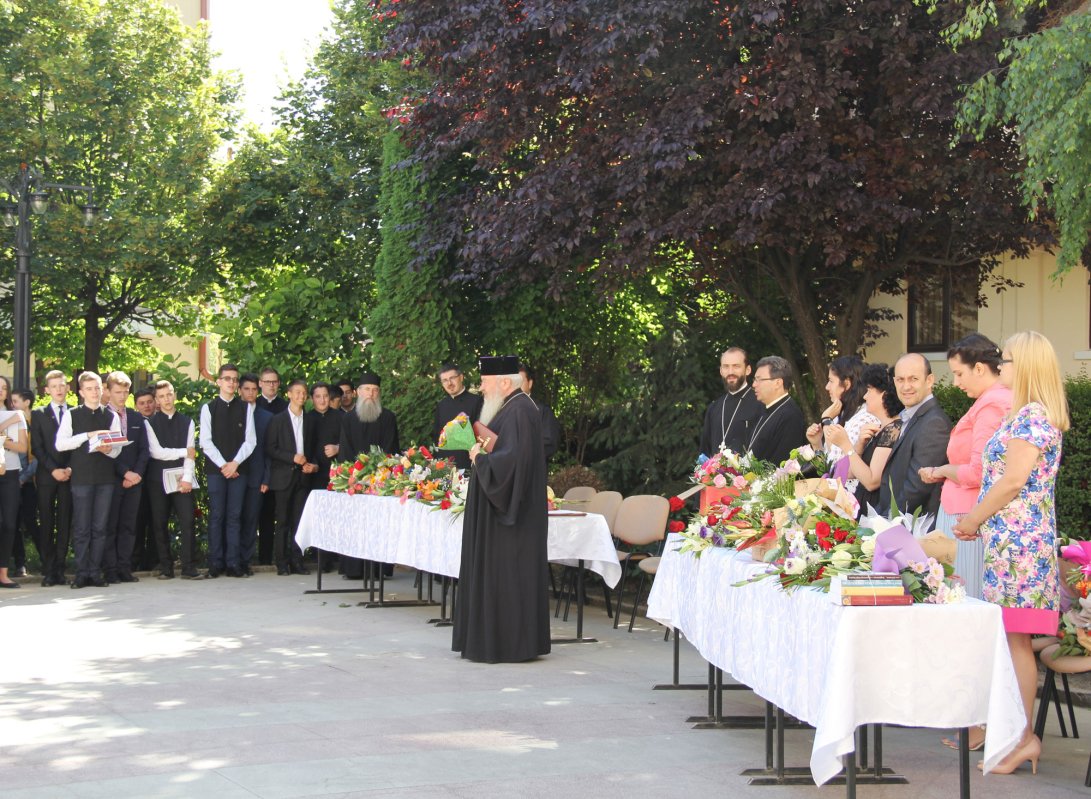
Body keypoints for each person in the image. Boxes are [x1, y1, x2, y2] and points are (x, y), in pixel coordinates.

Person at [953, 331, 1070, 775]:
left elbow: (1013, 480)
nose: (1001, 365)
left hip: (1021, 548)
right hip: (1011, 545)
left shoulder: (1033, 417)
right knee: (1012, 639)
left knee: (1017, 640)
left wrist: (973, 518)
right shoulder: (1026, 414)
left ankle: (1022, 738)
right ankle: (1016, 736)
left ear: (1027, 366)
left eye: (1007, 359)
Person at [453, 355, 550, 663]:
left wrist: (479, 458)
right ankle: (496, 641)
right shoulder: (513, 407)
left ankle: (507, 644)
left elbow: (512, 464)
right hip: (504, 513)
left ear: (505, 382)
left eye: (484, 382)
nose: (481, 388)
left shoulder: (520, 410)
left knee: (506, 577)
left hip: (510, 518)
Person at [920, 334, 1011, 602]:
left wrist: (942, 470)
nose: (956, 382)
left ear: (979, 368)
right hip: (967, 512)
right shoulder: (990, 401)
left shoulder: (992, 404)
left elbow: (978, 471)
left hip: (968, 514)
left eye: (959, 373)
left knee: (965, 598)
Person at [55, 372, 124, 589]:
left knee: (100, 528)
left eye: (97, 388)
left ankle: (95, 573)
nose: (94, 392)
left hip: (105, 478)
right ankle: (81, 573)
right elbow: (60, 444)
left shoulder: (111, 416)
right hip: (82, 478)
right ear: (81, 392)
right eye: (89, 389)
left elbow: (117, 450)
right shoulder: (72, 414)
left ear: (102, 390)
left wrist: (108, 449)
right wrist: (88, 435)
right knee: (82, 528)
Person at [338, 372, 400, 579]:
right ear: (358, 392)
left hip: (380, 483)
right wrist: (354, 476)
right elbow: (345, 450)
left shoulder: (388, 417)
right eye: (367, 390)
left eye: (375, 390)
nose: (371, 394)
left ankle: (379, 570)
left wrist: (378, 476)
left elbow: (391, 450)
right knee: (355, 525)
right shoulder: (348, 419)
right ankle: (354, 569)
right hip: (355, 482)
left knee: (379, 526)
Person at [199, 363, 256, 578]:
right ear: (219, 382)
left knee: (234, 516)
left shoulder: (246, 408)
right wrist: (224, 465)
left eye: (234, 379)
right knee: (216, 516)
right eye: (227, 378)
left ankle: (233, 563)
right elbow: (205, 442)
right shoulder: (209, 408)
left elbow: (250, 441)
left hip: (239, 470)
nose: (231, 382)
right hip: (217, 471)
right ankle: (215, 563)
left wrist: (235, 464)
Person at [878, 353, 952, 517]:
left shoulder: (934, 423)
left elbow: (917, 488)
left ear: (929, 380)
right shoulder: (909, 416)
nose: (906, 387)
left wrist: (887, 520)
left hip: (912, 523)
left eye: (913, 379)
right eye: (900, 380)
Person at [823, 364, 903, 514]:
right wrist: (859, 445)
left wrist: (846, 445)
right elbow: (850, 473)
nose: (865, 397)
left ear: (884, 395)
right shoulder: (881, 428)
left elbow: (872, 481)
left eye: (869, 390)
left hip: (874, 510)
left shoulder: (892, 429)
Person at [145, 380, 201, 579]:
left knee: (187, 521)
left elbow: (191, 455)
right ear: (157, 400)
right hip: (157, 480)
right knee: (160, 523)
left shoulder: (187, 422)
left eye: (169, 394)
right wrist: (183, 451)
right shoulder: (149, 423)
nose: (166, 399)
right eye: (161, 396)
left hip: (181, 478)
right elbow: (156, 452)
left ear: (174, 395)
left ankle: (188, 567)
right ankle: (166, 568)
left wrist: (187, 478)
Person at [265, 379, 317, 575]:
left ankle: (297, 561)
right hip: (283, 477)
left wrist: (312, 464)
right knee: (283, 521)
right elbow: (270, 448)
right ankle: (281, 562)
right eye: (297, 392)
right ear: (288, 394)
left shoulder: (309, 420)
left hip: (303, 477)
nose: (301, 396)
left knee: (299, 521)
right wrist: (292, 457)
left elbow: (313, 448)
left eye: (304, 393)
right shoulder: (277, 420)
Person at [101, 372, 149, 584]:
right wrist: (124, 473)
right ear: (108, 392)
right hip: (111, 478)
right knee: (110, 526)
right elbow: (105, 451)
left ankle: (124, 567)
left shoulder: (136, 417)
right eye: (118, 392)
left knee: (129, 526)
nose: (122, 396)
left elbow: (144, 449)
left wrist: (136, 473)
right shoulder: (102, 416)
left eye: (125, 392)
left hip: (134, 480)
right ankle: (110, 569)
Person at [806, 356, 878, 487]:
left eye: (831, 381)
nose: (827, 387)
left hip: (853, 495)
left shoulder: (864, 418)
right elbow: (827, 467)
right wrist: (817, 444)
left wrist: (826, 421)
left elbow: (838, 467)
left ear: (846, 384)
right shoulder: (841, 415)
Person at [699, 347, 763, 456]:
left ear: (748, 370)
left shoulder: (761, 403)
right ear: (721, 371)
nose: (730, 372)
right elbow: (704, 453)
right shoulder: (713, 408)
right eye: (726, 366)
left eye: (736, 366)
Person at [746, 356, 808, 464]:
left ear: (778, 383)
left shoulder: (791, 416)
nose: (754, 384)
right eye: (754, 379)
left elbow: (783, 463)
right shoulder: (764, 410)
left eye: (759, 379)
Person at [239, 373, 271, 576]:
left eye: (253, 389)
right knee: (233, 518)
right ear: (239, 390)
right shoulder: (233, 412)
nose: (250, 393)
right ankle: (230, 558)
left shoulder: (266, 417)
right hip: (234, 474)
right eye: (246, 389)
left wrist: (266, 477)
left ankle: (245, 560)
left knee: (251, 519)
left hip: (257, 475)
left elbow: (269, 450)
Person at [307, 381, 342, 571]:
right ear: (312, 399)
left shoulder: (341, 417)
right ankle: (320, 558)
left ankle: (336, 556)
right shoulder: (307, 418)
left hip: (337, 474)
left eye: (325, 396)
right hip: (314, 474)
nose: (322, 400)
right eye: (318, 397)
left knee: (336, 516)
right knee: (318, 516)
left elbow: (350, 442)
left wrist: (338, 448)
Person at [256, 367, 286, 566]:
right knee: (263, 515)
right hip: (261, 468)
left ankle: (282, 557)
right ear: (260, 383)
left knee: (283, 516)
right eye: (267, 382)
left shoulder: (286, 406)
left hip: (282, 468)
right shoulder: (252, 405)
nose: (271, 385)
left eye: (274, 382)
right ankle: (264, 558)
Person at [0, 376, 28, 588]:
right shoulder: (13, 418)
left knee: (9, 524)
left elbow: (23, 447)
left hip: (9, 474)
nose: (1, 390)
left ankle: (3, 574)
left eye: (4, 387)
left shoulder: (15, 414)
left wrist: (3, 440)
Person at [431, 363, 484, 471]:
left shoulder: (477, 402)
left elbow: (482, 437)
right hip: (445, 467)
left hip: (470, 465)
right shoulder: (441, 405)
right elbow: (437, 438)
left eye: (452, 378)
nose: (449, 383)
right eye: (445, 380)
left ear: (461, 377)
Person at [10, 388, 38, 578]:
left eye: (15, 401)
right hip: (11, 480)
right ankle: (20, 563)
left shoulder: (36, 423)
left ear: (26, 402)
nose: (12, 405)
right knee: (11, 523)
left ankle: (48, 560)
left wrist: (23, 478)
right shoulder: (11, 422)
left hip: (29, 482)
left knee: (30, 521)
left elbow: (37, 455)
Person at [130, 387, 158, 571]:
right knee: (137, 520)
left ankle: (153, 560)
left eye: (149, 402)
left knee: (156, 520)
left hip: (157, 478)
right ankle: (135, 559)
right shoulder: (133, 422)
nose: (146, 406)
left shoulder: (160, 420)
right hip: (138, 478)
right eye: (142, 403)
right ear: (136, 406)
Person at [519, 363, 561, 468]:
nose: (516, 387)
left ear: (530, 383)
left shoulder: (542, 411)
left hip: (531, 471)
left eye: (520, 382)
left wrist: (517, 452)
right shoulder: (502, 410)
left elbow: (549, 444)